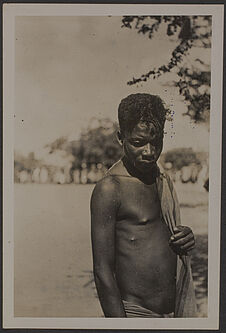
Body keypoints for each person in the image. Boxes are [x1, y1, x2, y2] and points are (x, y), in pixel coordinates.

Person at [91, 93, 196, 318]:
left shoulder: (161, 178)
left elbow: (161, 231)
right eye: (138, 143)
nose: (149, 152)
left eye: (155, 142)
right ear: (121, 138)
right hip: (135, 315)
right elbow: (102, 271)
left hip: (173, 313)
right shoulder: (111, 188)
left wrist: (185, 236)